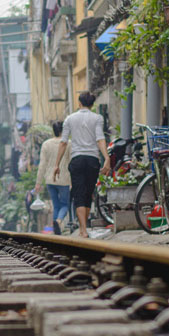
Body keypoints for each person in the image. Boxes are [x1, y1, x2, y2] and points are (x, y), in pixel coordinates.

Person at [53, 92, 110, 238]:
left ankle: (83, 230)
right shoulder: (97, 118)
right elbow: (100, 139)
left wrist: (56, 164)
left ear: (79, 103)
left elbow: (63, 142)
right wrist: (107, 158)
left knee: (78, 192)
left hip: (77, 160)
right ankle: (84, 229)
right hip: (92, 160)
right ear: (92, 104)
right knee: (88, 193)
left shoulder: (69, 119)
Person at [36, 120, 72, 234]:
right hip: (64, 178)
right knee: (65, 205)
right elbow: (71, 162)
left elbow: (42, 165)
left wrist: (38, 182)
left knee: (56, 205)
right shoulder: (68, 143)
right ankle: (59, 220)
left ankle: (57, 231)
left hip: (50, 179)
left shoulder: (46, 144)